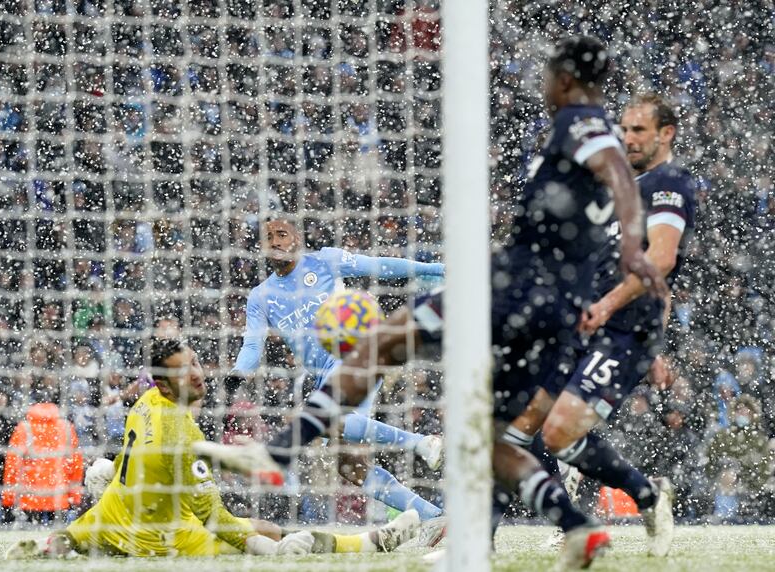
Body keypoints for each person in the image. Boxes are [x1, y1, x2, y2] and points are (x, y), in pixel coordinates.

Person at [197, 36, 666, 569]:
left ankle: (285, 450)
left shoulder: (577, 121)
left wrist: (631, 244)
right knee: (496, 439)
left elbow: (617, 170)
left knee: (383, 344)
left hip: (519, 287)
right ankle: (575, 527)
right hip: (552, 301)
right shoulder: (587, 128)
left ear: (562, 80)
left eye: (545, 78)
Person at [6, 339, 419, 559]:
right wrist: (270, 551)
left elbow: (138, 462)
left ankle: (54, 545)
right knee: (262, 531)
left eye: (196, 363)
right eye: (184, 372)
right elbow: (218, 520)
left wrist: (110, 473)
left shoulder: (145, 403)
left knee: (75, 537)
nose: (198, 375)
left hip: (113, 513)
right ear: (164, 385)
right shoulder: (182, 435)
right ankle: (369, 543)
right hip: (163, 536)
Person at [500, 92, 695, 557]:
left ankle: (644, 495)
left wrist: (614, 312)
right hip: (587, 325)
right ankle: (475, 536)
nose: (626, 137)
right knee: (518, 423)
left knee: (557, 432)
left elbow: (661, 259)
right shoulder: (619, 188)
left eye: (638, 130)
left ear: (666, 134)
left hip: (619, 331)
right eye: (623, 128)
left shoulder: (669, 184)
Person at [232, 216, 446, 521]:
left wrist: (435, 270)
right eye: (269, 237)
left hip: (357, 352)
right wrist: (236, 375)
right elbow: (252, 347)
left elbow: (379, 265)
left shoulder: (325, 261)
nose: (276, 241)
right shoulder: (260, 296)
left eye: (282, 234)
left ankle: (423, 443)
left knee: (332, 420)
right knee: (350, 465)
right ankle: (434, 518)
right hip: (323, 375)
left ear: (297, 239)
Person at [2, 390, 84, 525]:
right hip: (59, 496)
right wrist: (74, 496)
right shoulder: (67, 428)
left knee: (30, 541)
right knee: (56, 540)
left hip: (30, 497)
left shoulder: (24, 428)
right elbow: (76, 465)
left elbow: (12, 465)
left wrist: (9, 498)